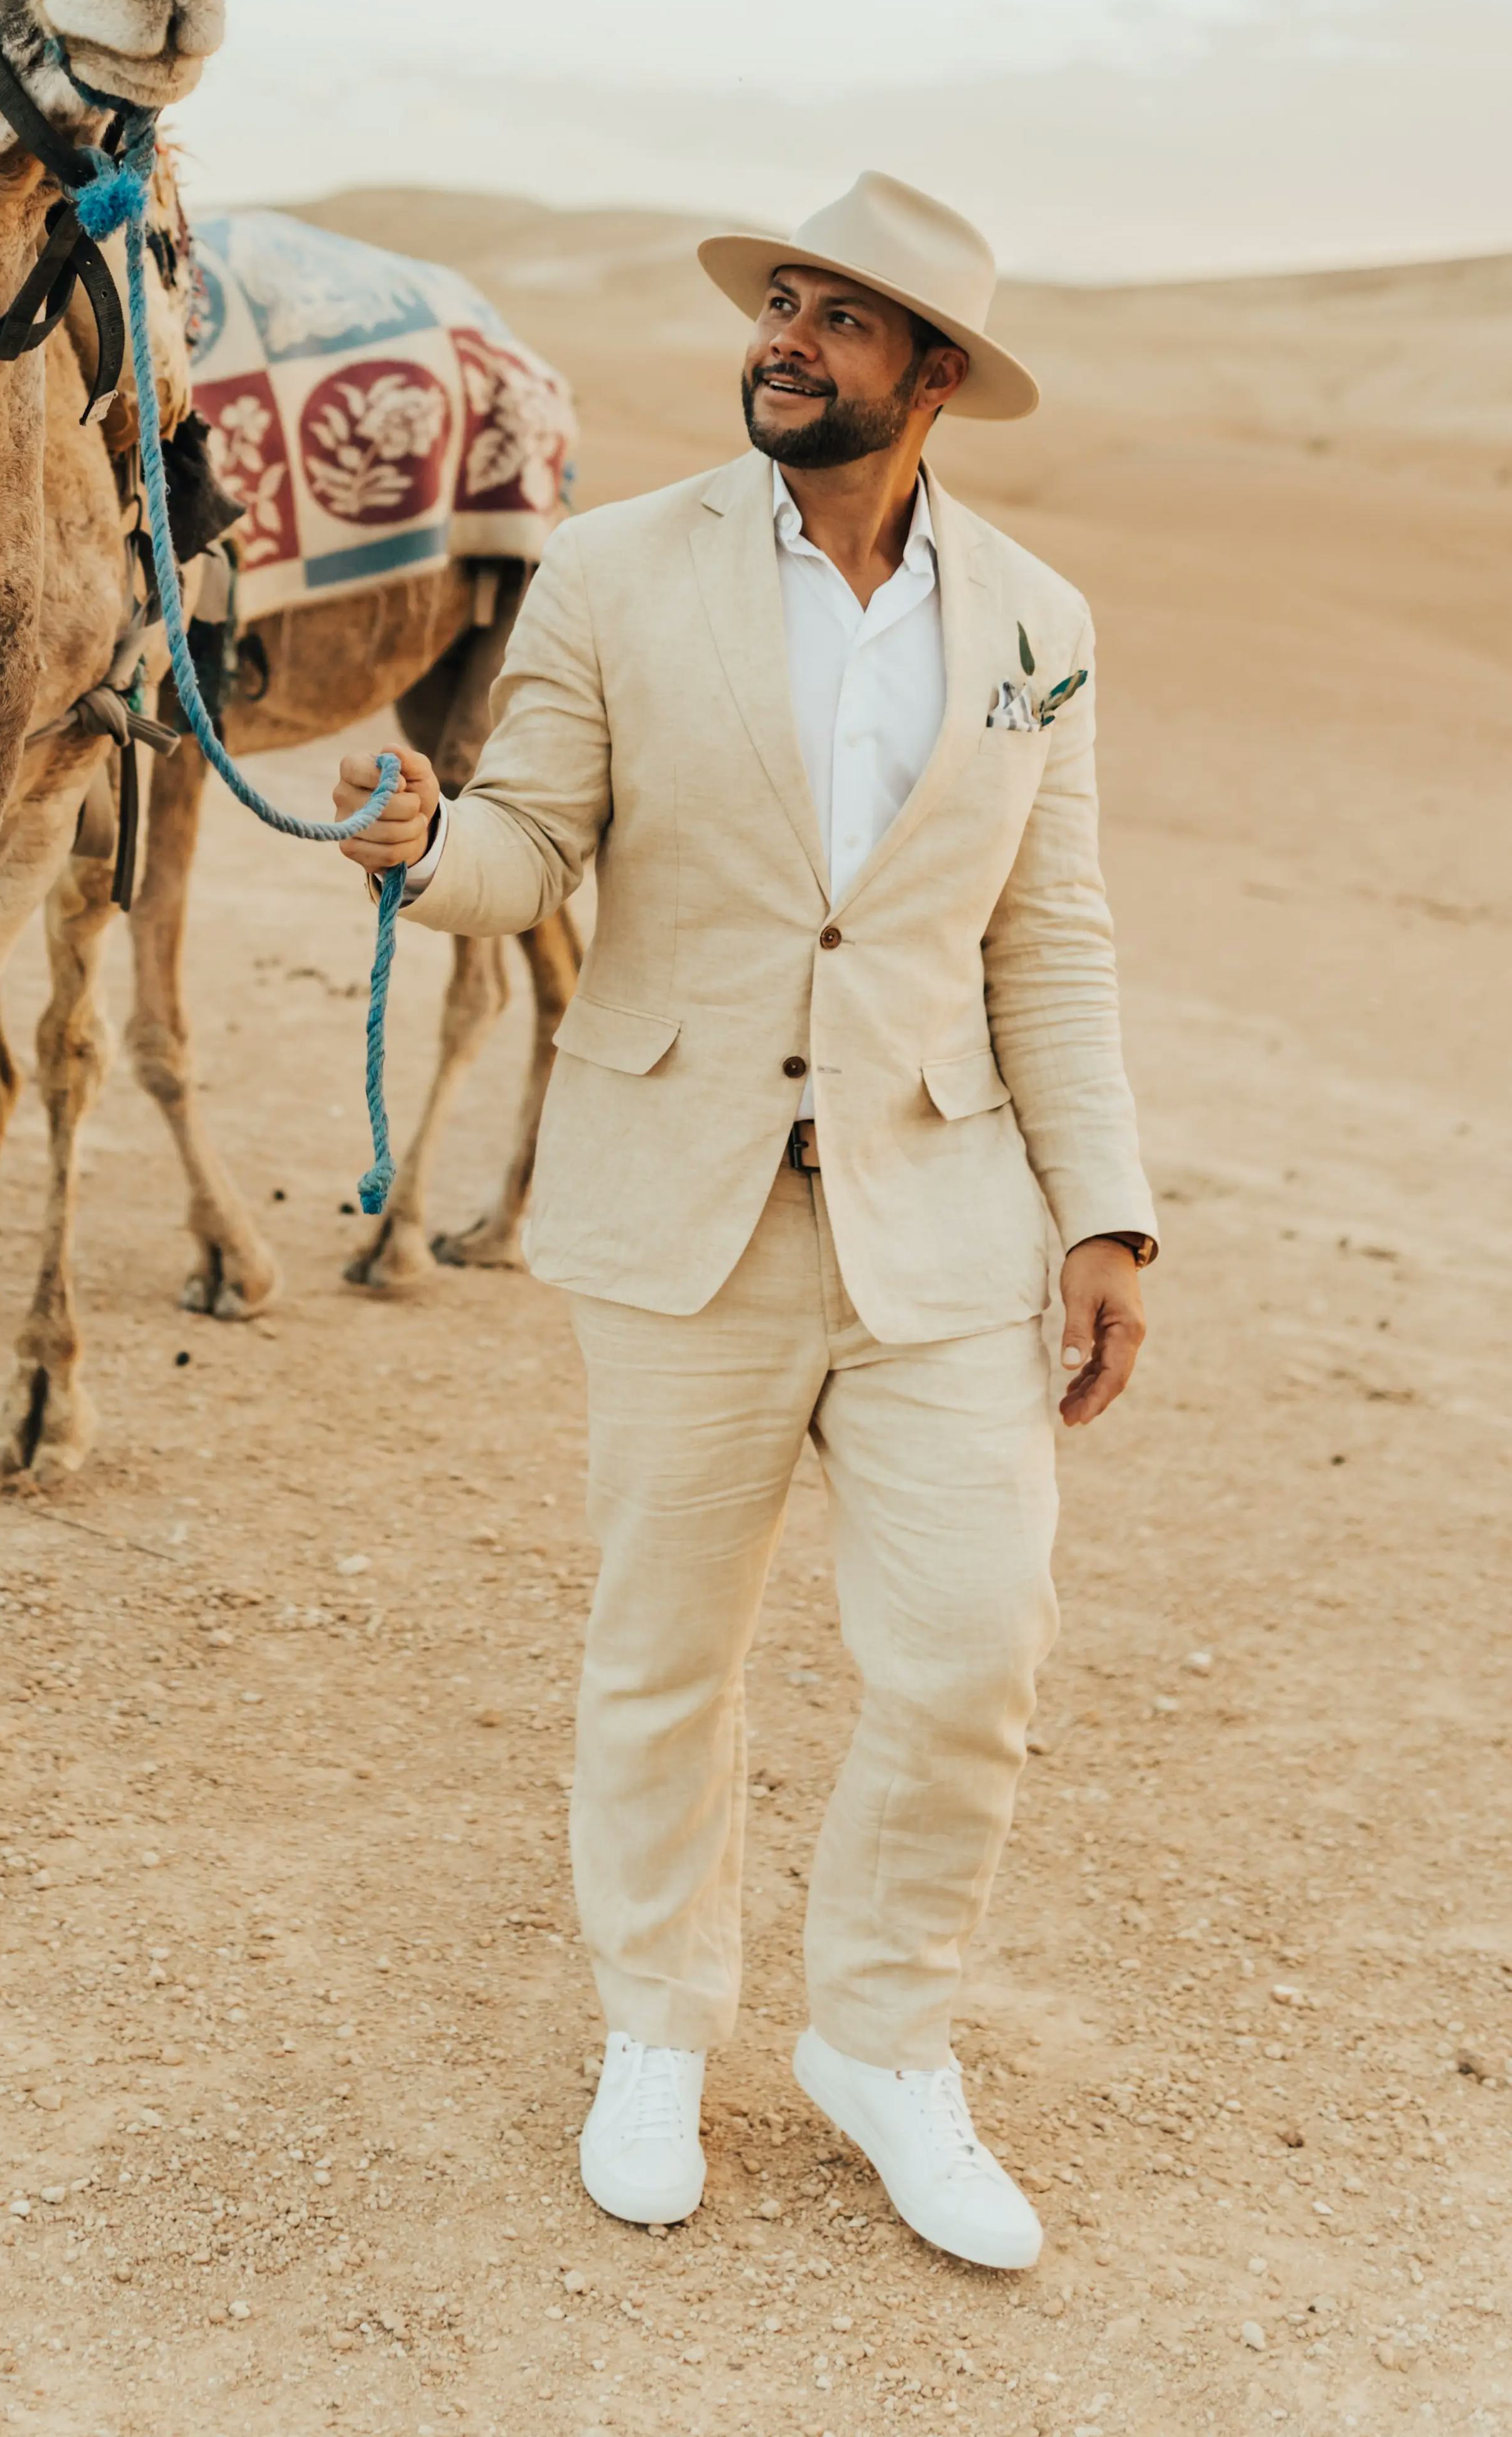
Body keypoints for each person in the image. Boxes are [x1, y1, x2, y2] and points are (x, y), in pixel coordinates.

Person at [332, 172, 1154, 2268]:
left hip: (944, 1216)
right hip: (685, 1202)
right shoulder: (614, 571)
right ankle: (657, 2029)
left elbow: (1046, 939)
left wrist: (1107, 1219)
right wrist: (427, 860)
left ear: (934, 377)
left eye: (841, 321)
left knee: (974, 1652)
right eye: (780, 304)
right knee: (664, 1660)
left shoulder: (1040, 627)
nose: (787, 339)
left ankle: (882, 2044)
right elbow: (534, 841)